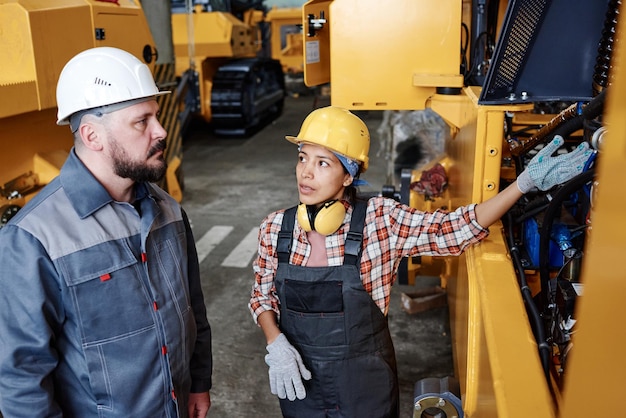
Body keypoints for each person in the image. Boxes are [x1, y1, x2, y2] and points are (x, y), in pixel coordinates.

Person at [248, 106, 593, 417]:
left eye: (323, 163)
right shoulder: (276, 228)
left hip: (364, 388)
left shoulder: (379, 220)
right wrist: (276, 342)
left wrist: (523, 183)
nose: (306, 173)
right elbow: (262, 297)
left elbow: (455, 228)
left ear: (349, 175)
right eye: (302, 158)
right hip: (297, 380)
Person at [0, 47, 213, 417]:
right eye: (141, 121)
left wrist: (198, 382)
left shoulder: (169, 211)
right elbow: (20, 375)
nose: (161, 131)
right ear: (92, 135)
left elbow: (192, 308)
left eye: (157, 116)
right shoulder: (33, 238)